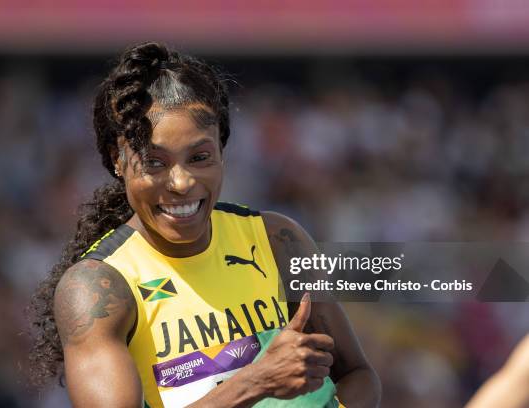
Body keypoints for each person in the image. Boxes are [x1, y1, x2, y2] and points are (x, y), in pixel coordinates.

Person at [30, 42, 381, 408]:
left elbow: (357, 374)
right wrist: (254, 382)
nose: (181, 182)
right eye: (154, 163)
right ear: (118, 161)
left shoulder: (277, 240)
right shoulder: (97, 289)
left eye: (199, 157)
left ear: (222, 152)